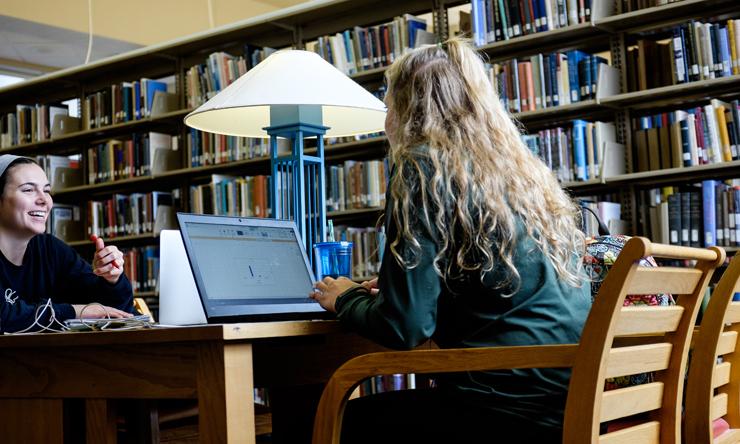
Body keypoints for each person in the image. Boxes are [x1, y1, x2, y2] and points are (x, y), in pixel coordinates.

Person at [310, 38, 590, 443]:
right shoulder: (518, 171)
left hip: (507, 405)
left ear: (405, 107)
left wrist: (345, 297)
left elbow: (405, 327)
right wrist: (394, 290)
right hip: (570, 392)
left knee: (330, 421)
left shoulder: (421, 167)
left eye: (389, 101)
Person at [0, 154, 134, 333]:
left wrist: (111, 279)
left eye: (46, 190)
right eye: (28, 190)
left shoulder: (50, 250)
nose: (44, 200)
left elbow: (117, 312)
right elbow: (5, 317)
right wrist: (75, 312)